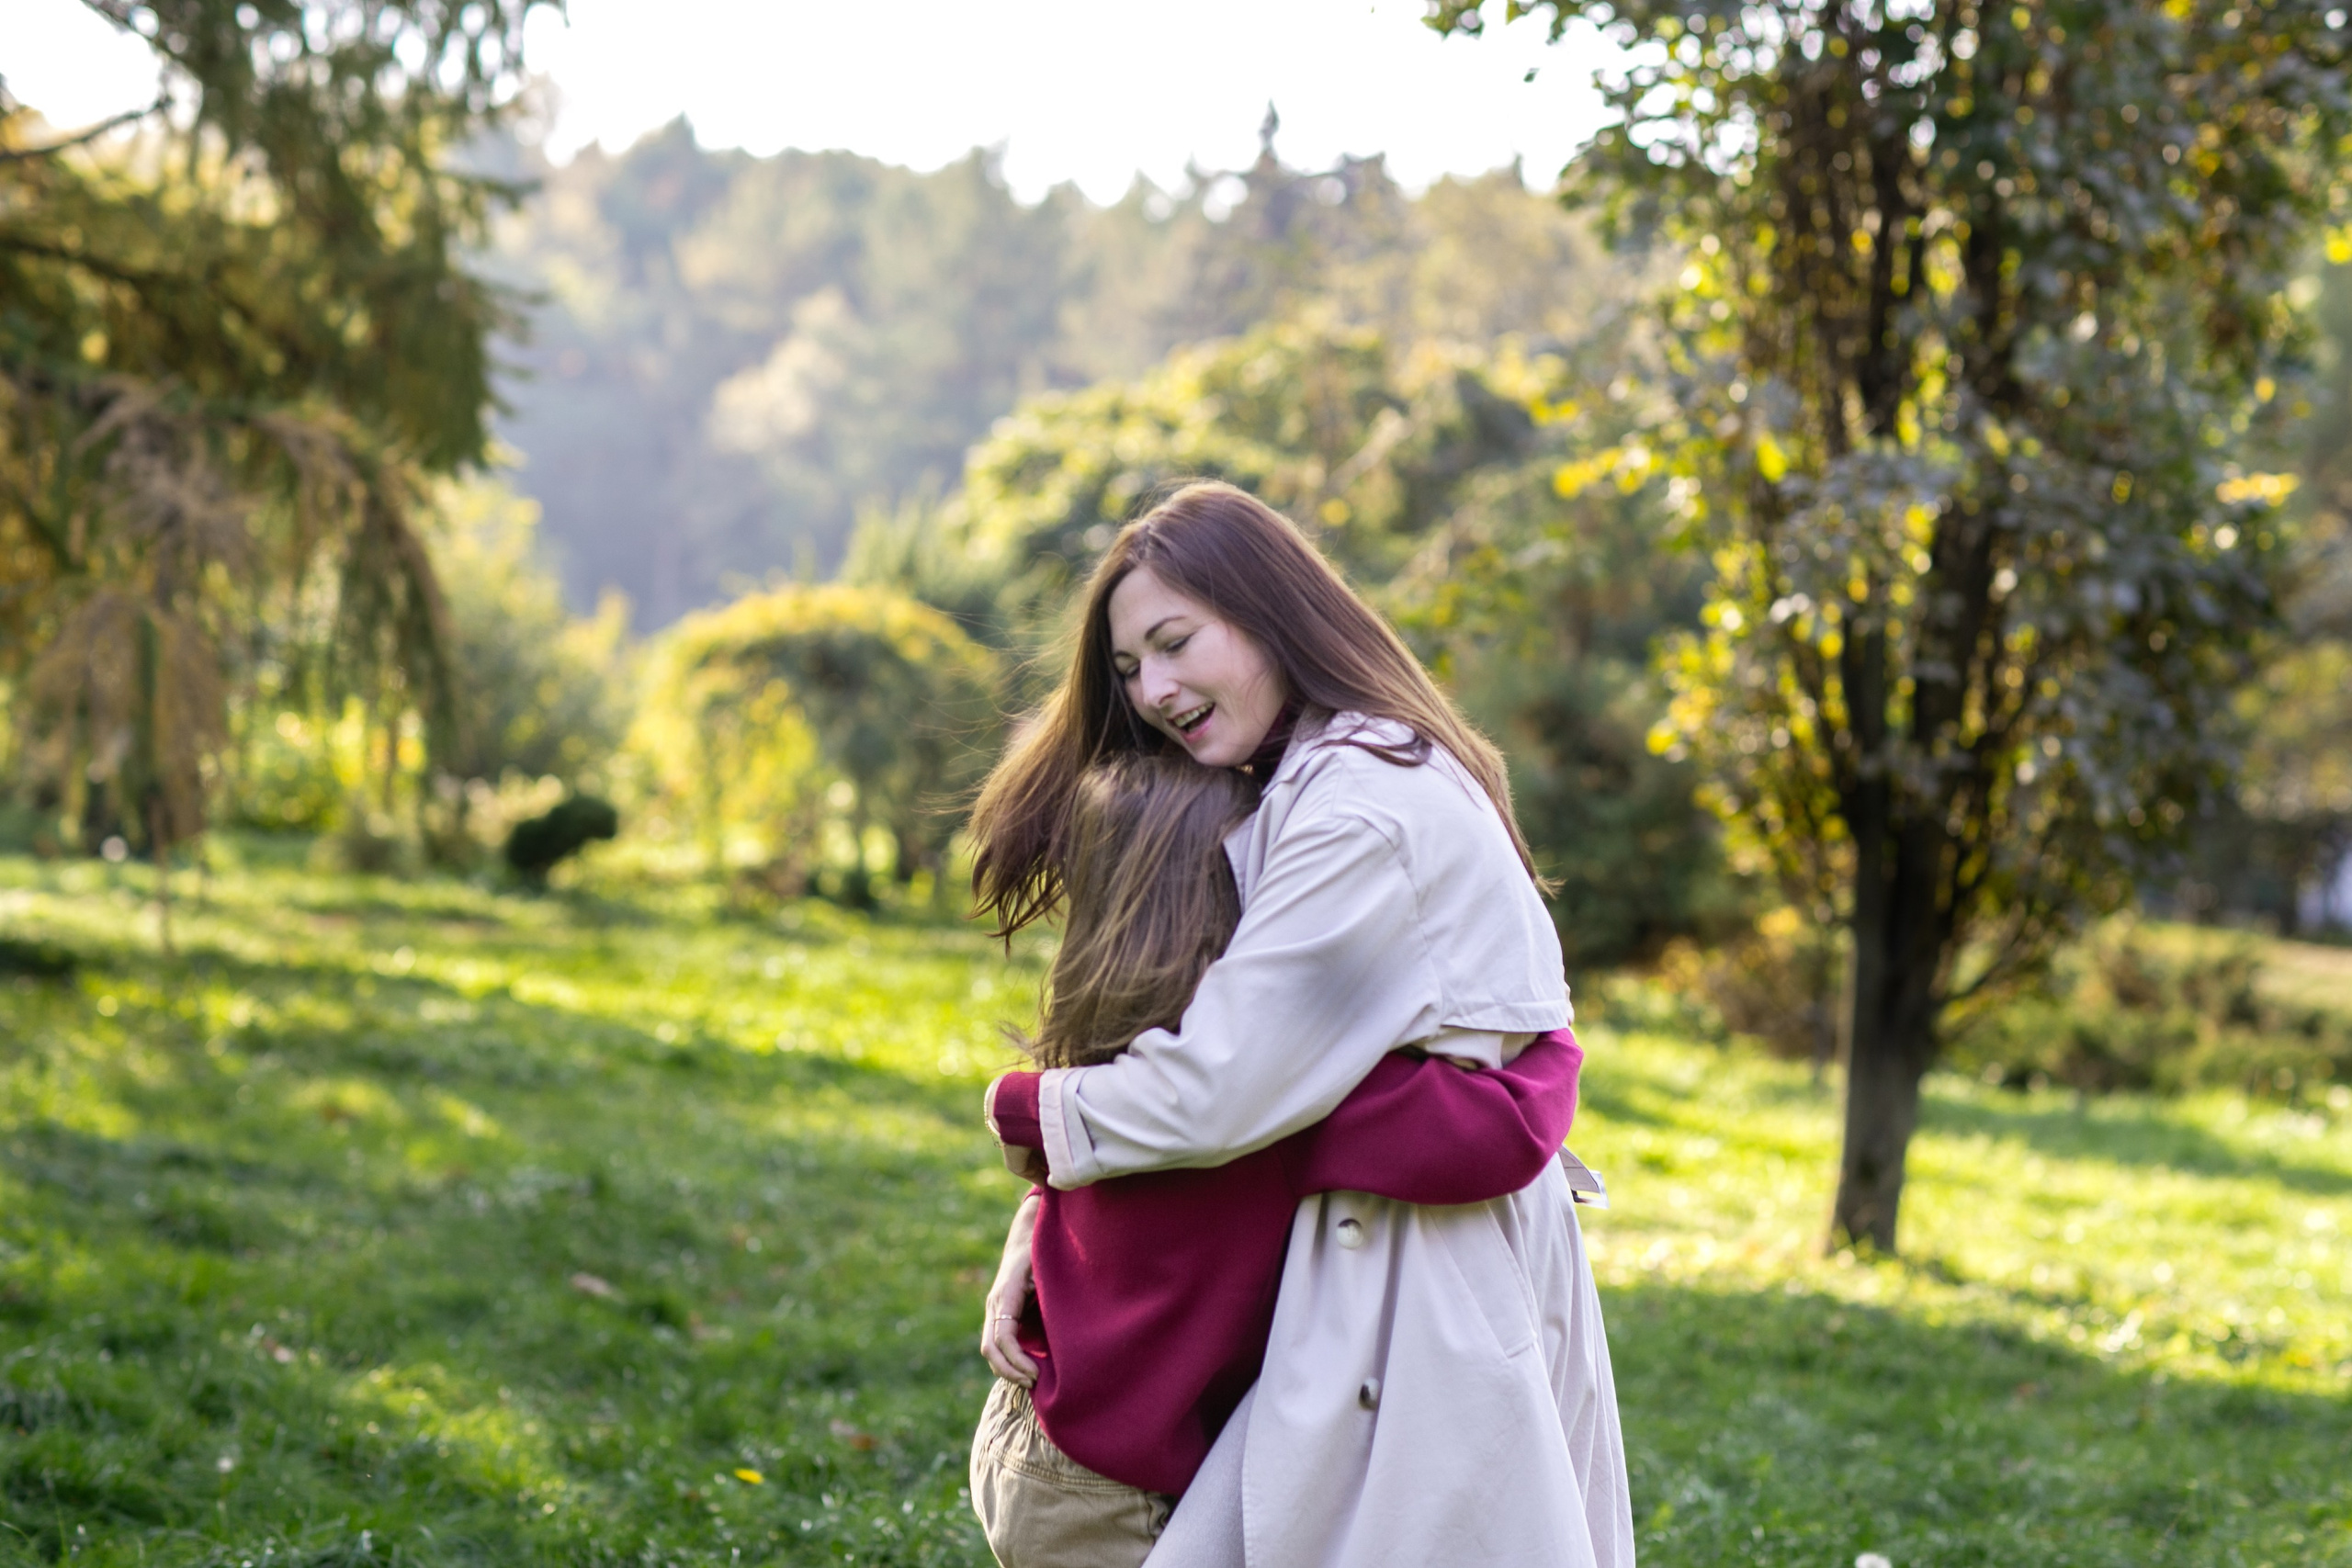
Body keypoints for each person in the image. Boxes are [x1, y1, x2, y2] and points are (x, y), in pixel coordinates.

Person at [967, 481, 1634, 1568]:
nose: (1154, 690)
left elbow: (1218, 1082)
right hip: (1385, 1253)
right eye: (1132, 669)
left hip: (1421, 1277)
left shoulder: (1360, 809)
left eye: (1176, 643)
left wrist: (1026, 1113)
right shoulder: (1323, 775)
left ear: (1268, 609)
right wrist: (1040, 1221)